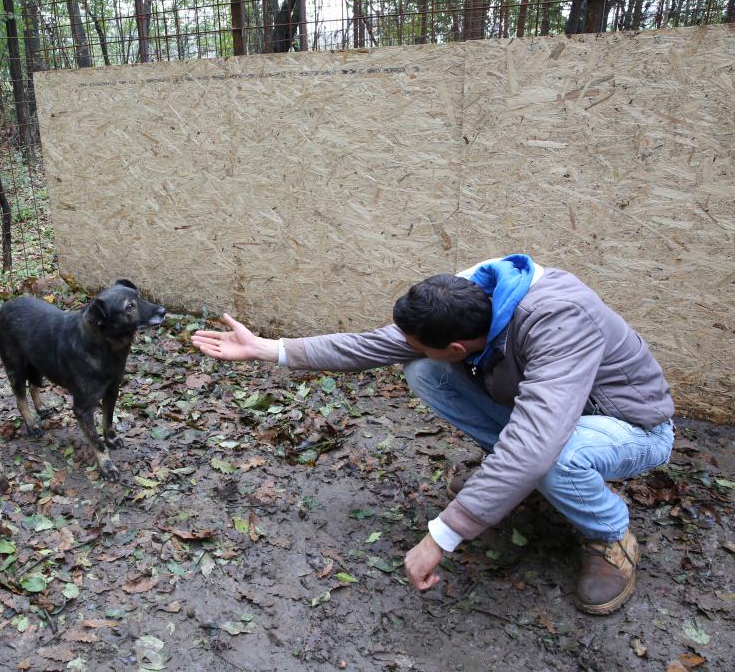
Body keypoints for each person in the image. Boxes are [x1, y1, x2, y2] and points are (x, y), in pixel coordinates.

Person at [190, 254, 674, 615]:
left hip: (631, 425)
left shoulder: (559, 320)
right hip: (555, 418)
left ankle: (609, 535)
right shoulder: (476, 292)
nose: (404, 345)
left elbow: (536, 441)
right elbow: (374, 345)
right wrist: (267, 348)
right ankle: (514, 483)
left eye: (422, 341)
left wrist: (442, 537)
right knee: (426, 371)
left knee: (555, 457)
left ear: (460, 346)